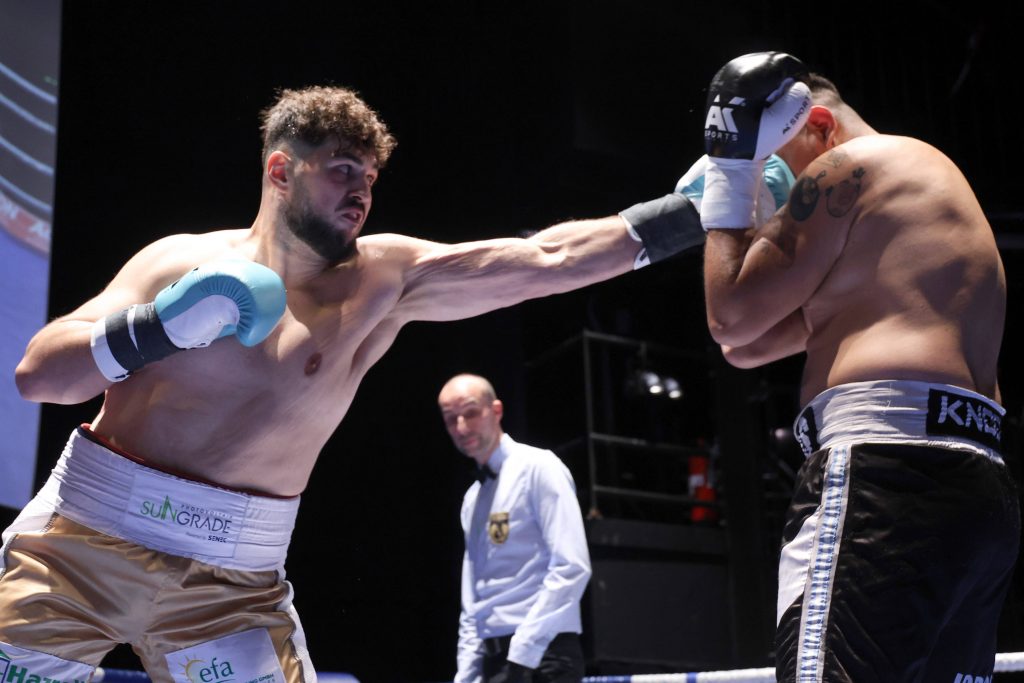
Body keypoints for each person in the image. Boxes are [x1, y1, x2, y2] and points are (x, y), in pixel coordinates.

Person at [0, 85, 708, 683]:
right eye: (342, 170)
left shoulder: (382, 280)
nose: (361, 192)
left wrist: (688, 216)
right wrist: (159, 326)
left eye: (369, 178)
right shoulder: (177, 262)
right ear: (281, 170)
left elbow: (544, 258)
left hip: (232, 581)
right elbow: (39, 373)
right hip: (86, 538)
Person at [699, 52, 1019, 682]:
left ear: (819, 126)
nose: (778, 197)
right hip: (976, 487)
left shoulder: (850, 166)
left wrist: (727, 174)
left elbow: (728, 319)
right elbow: (747, 348)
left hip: (884, 471)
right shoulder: (921, 201)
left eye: (776, 170)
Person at [438, 374, 590, 683]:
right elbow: (473, 597)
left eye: (470, 412)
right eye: (451, 419)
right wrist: (466, 674)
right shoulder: (473, 499)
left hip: (542, 656)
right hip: (495, 661)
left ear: (496, 410)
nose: (461, 427)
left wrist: (523, 651)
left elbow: (572, 567)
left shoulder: (539, 467)